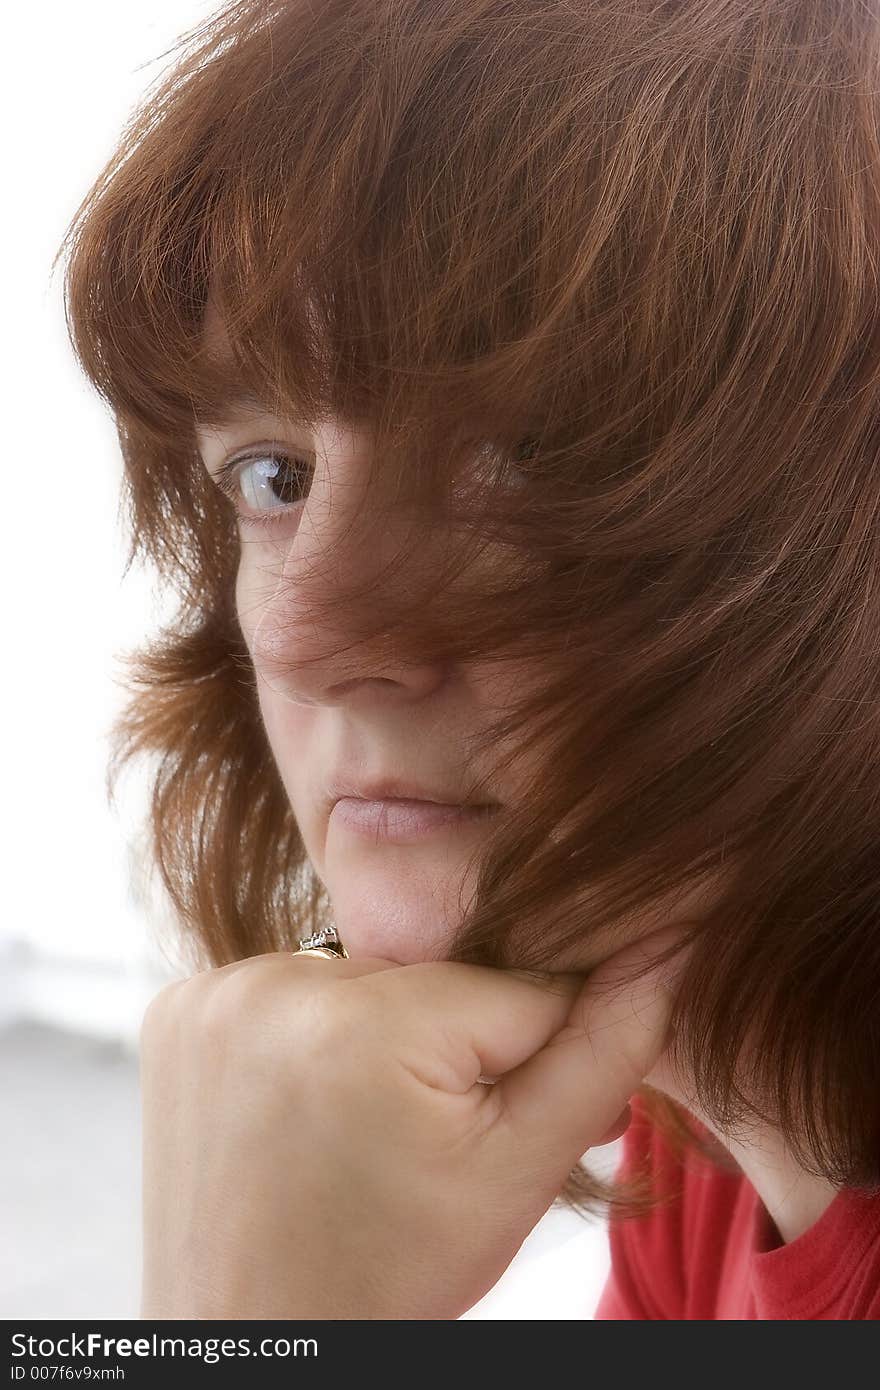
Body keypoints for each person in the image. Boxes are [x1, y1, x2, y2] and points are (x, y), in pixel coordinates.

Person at [56, 0, 880, 1318]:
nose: (302, 638)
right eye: (274, 475)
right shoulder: (706, 1167)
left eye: (532, 456)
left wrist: (257, 1333)